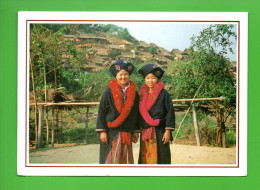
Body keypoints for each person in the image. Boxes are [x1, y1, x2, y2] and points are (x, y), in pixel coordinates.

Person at [96, 60, 140, 164]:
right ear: (116, 76)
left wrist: (135, 131)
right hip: (111, 131)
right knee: (110, 159)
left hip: (127, 130)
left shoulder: (134, 92)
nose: (123, 77)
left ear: (129, 75)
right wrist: (102, 131)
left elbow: (135, 113)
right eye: (120, 75)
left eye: (126, 74)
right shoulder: (108, 92)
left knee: (125, 158)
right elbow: (101, 112)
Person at [138, 63, 175, 164]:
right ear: (145, 79)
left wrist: (167, 131)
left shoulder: (164, 94)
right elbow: (138, 114)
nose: (150, 81)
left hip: (160, 130)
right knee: (145, 155)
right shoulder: (142, 94)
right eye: (147, 78)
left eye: (153, 78)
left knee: (161, 156)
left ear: (157, 78)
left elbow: (169, 112)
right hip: (145, 130)